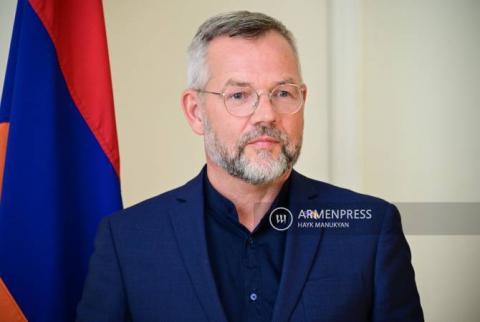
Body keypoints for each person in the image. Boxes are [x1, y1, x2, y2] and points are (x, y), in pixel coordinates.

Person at [76, 11, 424, 322]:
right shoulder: (127, 241)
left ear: (303, 101)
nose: (267, 114)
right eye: (239, 95)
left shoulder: (371, 227)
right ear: (196, 112)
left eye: (283, 93)